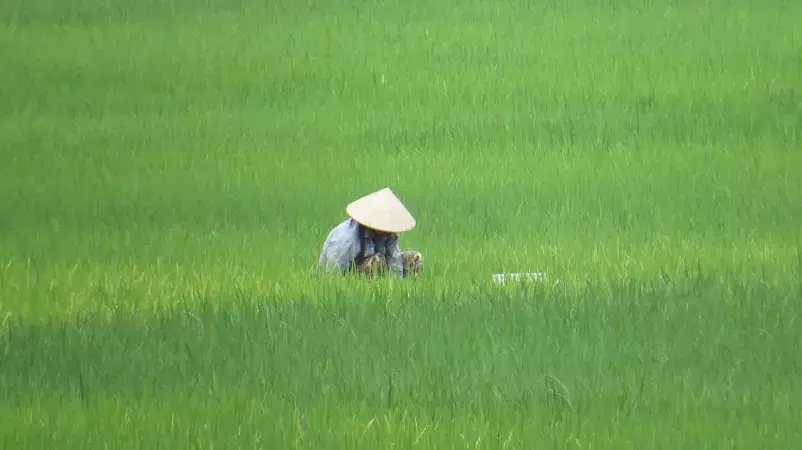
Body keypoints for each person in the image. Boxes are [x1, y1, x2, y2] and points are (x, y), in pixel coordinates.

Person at [318, 187, 423, 277]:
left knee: (412, 261)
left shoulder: (388, 234)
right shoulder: (345, 241)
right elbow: (331, 277)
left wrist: (406, 265)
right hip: (350, 281)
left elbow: (394, 264)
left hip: (375, 285)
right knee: (376, 264)